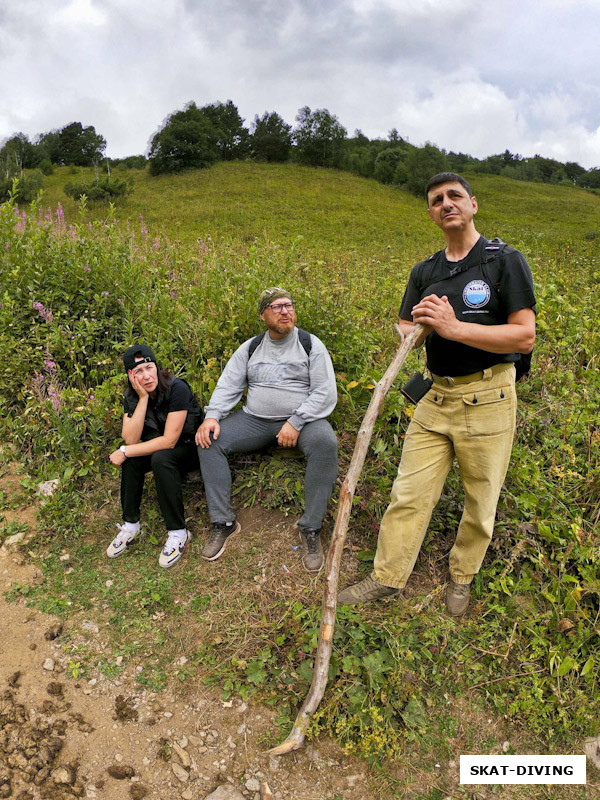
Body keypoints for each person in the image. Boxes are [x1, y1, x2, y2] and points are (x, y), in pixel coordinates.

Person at [339, 172, 536, 615]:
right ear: (430, 213)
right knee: (409, 492)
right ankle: (387, 579)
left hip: (489, 397)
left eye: (454, 196)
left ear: (473, 205)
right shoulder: (424, 271)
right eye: (435, 200)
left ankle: (461, 577)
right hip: (436, 397)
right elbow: (406, 328)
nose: (445, 203)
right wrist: (414, 328)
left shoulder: (504, 260)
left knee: (481, 498)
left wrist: (453, 327)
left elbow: (524, 337)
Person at [195, 287, 338, 572]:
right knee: (207, 440)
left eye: (289, 305)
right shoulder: (251, 348)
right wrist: (212, 416)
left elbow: (325, 392)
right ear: (263, 315)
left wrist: (295, 422)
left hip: (303, 422)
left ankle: (310, 529)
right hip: (255, 421)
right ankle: (223, 522)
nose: (285, 311)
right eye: (277, 307)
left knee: (326, 444)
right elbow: (229, 384)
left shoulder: (310, 344)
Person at [107, 344, 203, 568]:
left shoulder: (177, 388)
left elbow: (169, 440)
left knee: (157, 457)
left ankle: (178, 532)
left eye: (149, 367)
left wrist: (123, 451)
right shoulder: (132, 397)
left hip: (192, 448)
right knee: (133, 459)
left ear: (156, 367)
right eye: (138, 372)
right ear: (130, 376)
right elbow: (130, 438)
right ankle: (130, 525)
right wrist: (142, 399)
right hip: (161, 449)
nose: (147, 375)